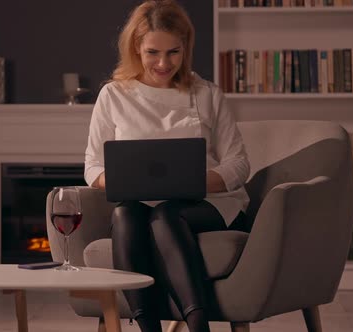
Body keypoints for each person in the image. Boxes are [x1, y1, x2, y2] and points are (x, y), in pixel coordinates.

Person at [83, 1, 251, 332]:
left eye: (173, 52)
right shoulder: (114, 95)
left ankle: (198, 324)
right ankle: (148, 327)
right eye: (152, 53)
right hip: (142, 205)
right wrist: (115, 181)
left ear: (185, 47)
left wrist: (199, 182)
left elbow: (239, 162)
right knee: (125, 213)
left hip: (210, 204)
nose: (163, 63)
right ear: (136, 48)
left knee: (167, 214)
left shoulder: (206, 93)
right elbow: (92, 165)